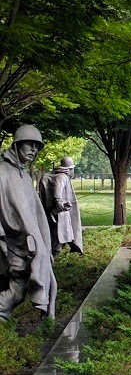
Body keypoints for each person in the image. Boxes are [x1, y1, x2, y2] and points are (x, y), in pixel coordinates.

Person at [0, 125, 57, 321]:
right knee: (18, 284)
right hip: (10, 241)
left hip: (28, 243)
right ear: (17, 145)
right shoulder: (2, 172)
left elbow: (33, 212)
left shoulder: (23, 174)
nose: (33, 149)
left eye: (36, 146)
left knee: (21, 284)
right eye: (29, 144)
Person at [39, 156, 83, 258]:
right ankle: (49, 264)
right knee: (57, 243)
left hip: (52, 215)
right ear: (71, 169)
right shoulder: (62, 177)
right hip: (58, 217)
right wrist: (59, 201)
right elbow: (57, 187)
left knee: (56, 241)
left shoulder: (53, 175)